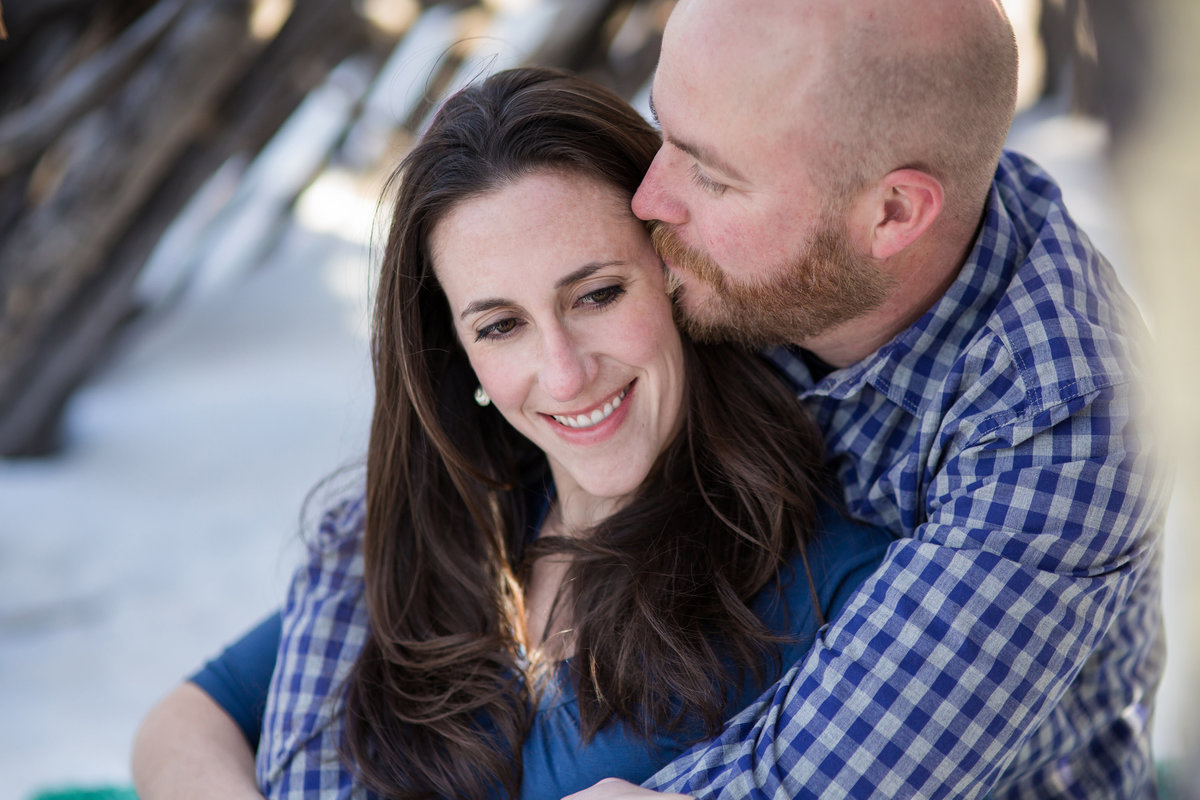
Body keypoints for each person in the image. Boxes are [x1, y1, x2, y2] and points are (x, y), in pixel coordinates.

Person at [134, 0, 1168, 796]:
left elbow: (791, 786)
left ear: (892, 213)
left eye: (709, 175)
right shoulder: (480, 494)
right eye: (497, 324)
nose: (651, 201)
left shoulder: (1063, 428)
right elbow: (218, 706)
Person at [134, 66, 891, 800]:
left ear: (676, 275)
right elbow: (190, 718)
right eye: (501, 326)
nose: (562, 375)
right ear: (456, 350)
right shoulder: (458, 524)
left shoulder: (829, 579)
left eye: (597, 294)